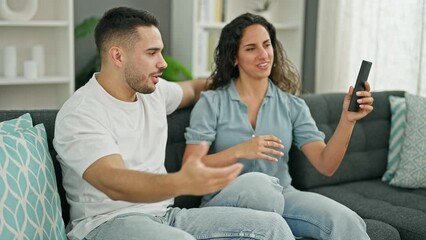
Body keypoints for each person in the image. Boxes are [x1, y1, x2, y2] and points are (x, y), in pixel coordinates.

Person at [53, 7, 294, 240]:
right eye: (151, 53)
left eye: (161, 51)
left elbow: (194, 88)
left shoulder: (154, 92)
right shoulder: (81, 113)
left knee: (271, 227)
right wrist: (182, 181)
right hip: (106, 224)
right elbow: (113, 181)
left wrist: (240, 84)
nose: (163, 63)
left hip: (166, 216)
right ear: (117, 56)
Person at [183, 13, 374, 240]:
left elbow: (326, 165)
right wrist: (241, 150)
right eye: (251, 48)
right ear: (234, 57)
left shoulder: (292, 105)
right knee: (260, 187)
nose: (263, 54)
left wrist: (347, 120)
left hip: (282, 196)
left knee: (346, 221)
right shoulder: (211, 103)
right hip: (223, 199)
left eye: (266, 45)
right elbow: (190, 167)